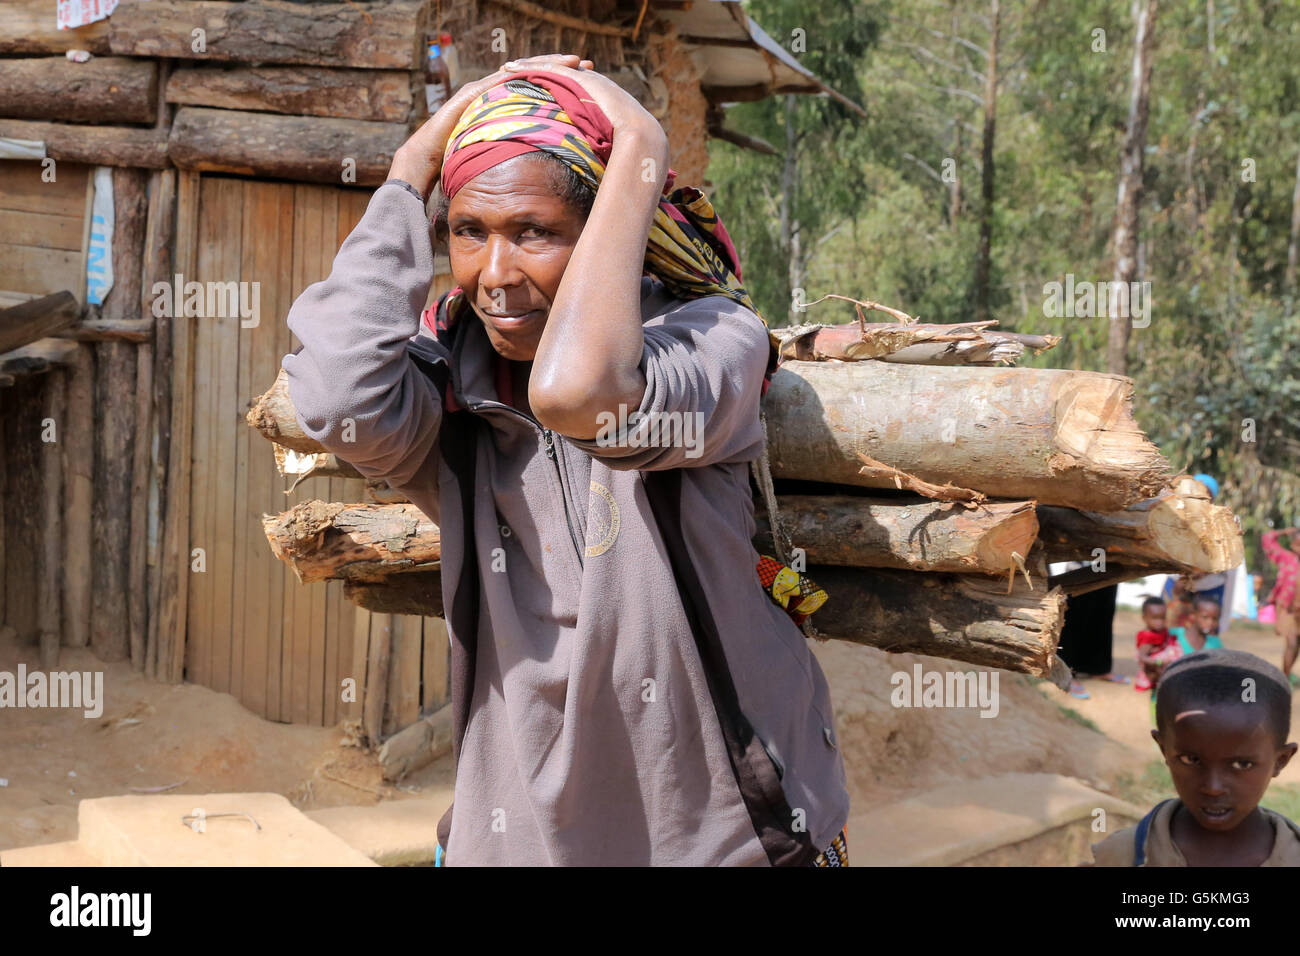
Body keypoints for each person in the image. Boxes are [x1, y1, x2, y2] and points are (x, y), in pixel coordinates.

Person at [281, 54, 850, 866]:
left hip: (722, 834)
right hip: (517, 833)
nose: (496, 275)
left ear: (609, 232)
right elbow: (336, 396)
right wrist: (410, 171)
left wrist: (640, 146)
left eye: (535, 233)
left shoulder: (712, 338)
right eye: (468, 232)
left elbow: (582, 394)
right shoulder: (452, 379)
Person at [1090, 649, 1300, 866]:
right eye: (1191, 760)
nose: (1213, 787)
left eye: (1242, 764)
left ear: (1281, 760)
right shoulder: (1122, 855)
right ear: (1164, 749)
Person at [1261, 526, 1300, 681]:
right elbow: (1267, 538)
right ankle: (1285, 678)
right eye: (1298, 544)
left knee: (1296, 644)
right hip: (1287, 609)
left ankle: (1288, 673)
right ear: (1292, 545)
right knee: (1291, 642)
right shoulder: (1285, 557)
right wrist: (1283, 532)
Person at [1134, 596, 1179, 693]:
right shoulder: (1148, 637)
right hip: (1154, 669)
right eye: (1154, 618)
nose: (1159, 622)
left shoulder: (1160, 631)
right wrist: (1159, 662)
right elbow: (1142, 657)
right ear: (1144, 618)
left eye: (1162, 618)